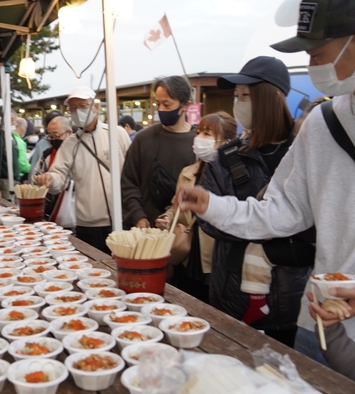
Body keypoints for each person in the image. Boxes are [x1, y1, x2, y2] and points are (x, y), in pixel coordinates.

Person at [176, 0, 355, 371]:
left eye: (317, 54)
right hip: (318, 330)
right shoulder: (323, 122)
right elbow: (283, 210)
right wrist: (212, 204)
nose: (311, 67)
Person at [194, 56, 315, 348]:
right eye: (236, 96)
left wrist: (257, 223)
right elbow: (206, 219)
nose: (239, 103)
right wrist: (275, 229)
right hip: (232, 291)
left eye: (246, 95)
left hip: (296, 295)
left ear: (272, 97)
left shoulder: (307, 149)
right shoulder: (225, 157)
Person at [33, 86, 131, 253]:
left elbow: (132, 173)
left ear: (96, 107)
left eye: (83, 105)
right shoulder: (70, 143)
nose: (77, 111)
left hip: (122, 219)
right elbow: (59, 175)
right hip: (88, 224)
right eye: (72, 108)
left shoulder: (117, 134)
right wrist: (50, 179)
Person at [156, 112, 238, 303]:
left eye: (207, 134)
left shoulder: (233, 178)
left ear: (226, 142)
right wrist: (167, 218)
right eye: (198, 132)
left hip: (215, 257)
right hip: (187, 252)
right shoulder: (188, 172)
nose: (200, 138)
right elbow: (177, 207)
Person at [122, 75, 197, 229]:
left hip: (182, 234)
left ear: (185, 105)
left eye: (167, 104)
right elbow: (128, 183)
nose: (161, 109)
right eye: (158, 104)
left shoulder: (197, 143)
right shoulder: (143, 138)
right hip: (145, 233)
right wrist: (138, 216)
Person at [32, 116, 74, 223]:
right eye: (49, 136)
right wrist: (41, 179)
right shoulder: (47, 154)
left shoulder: (79, 153)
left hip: (73, 208)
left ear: (69, 133)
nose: (53, 139)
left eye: (56, 135)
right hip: (50, 207)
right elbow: (36, 174)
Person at [0, 110, 21, 197]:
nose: (14, 123)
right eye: (11, 120)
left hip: (15, 181)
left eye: (14, 120)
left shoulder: (13, 138)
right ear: (2, 121)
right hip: (4, 182)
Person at [29, 110, 64, 183]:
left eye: (56, 134)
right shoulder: (42, 146)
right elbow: (34, 171)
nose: (54, 139)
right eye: (51, 134)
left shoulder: (72, 146)